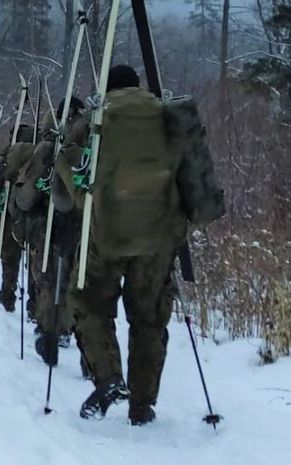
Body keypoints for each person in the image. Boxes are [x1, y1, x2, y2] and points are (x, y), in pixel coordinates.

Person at [60, 64, 189, 426]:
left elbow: (70, 166)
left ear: (109, 88)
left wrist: (87, 204)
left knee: (90, 305)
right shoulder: (167, 115)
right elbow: (188, 170)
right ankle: (143, 404)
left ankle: (109, 378)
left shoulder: (94, 120)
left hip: (106, 233)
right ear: (138, 86)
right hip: (159, 237)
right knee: (149, 319)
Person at [16, 97, 87, 369]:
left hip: (52, 226)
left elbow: (25, 198)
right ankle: (87, 349)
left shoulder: (48, 149)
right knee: (79, 284)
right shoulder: (93, 144)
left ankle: (51, 335)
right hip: (86, 226)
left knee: (49, 280)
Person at [0, 124, 35, 311]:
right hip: (36, 218)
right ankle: (34, 304)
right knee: (36, 262)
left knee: (10, 258)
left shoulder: (9, 157)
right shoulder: (43, 155)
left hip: (10, 215)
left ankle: (8, 294)